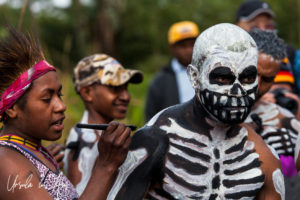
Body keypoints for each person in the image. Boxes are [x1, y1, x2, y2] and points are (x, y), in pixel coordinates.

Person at [107, 23, 284, 199]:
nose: (238, 92)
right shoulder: (154, 141)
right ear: (194, 77)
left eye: (247, 78)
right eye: (223, 78)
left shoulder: (263, 155)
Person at [0, 27, 131, 200]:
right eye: (47, 98)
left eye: (59, 95)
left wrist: (43, 164)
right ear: (12, 108)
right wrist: (106, 166)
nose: (61, 106)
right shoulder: (6, 163)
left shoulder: (32, 153)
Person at [63, 54, 143, 195]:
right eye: (114, 87)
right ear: (87, 93)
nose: (126, 96)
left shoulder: (103, 136)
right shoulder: (85, 141)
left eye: (126, 87)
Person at [243, 29, 299, 179]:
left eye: (267, 79)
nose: (257, 85)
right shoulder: (212, 107)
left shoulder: (283, 117)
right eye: (252, 75)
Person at [145, 21, 199, 121]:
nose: (188, 50)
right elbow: (151, 119)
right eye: (183, 46)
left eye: (192, 44)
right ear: (172, 48)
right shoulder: (160, 82)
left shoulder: (209, 73)